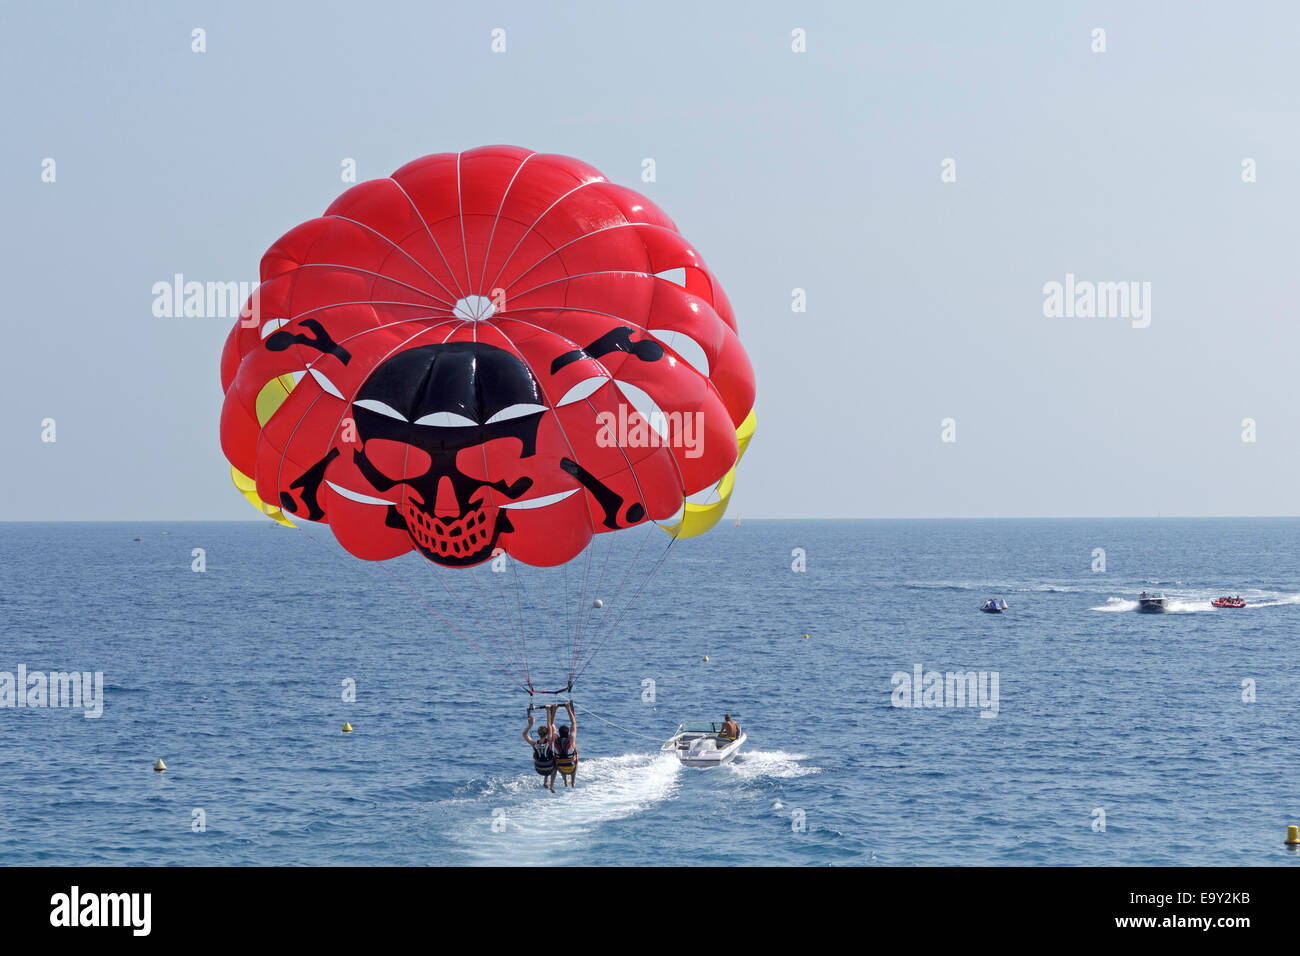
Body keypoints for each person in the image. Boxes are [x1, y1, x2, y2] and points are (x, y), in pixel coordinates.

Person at [524, 703, 558, 792]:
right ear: (546, 734)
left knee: (545, 758)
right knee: (553, 760)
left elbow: (524, 735)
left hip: (539, 770)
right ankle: (551, 785)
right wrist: (547, 710)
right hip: (550, 769)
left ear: (538, 734)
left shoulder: (534, 744)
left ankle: (545, 781)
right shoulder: (549, 742)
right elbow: (549, 725)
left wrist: (531, 724)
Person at [552, 701, 579, 788]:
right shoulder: (571, 739)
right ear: (567, 733)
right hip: (572, 768)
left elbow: (551, 724)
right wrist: (568, 708)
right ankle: (573, 781)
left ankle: (565, 780)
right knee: (573, 756)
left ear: (559, 733)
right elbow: (573, 723)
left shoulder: (555, 739)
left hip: (561, 768)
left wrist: (554, 710)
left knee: (562, 761)